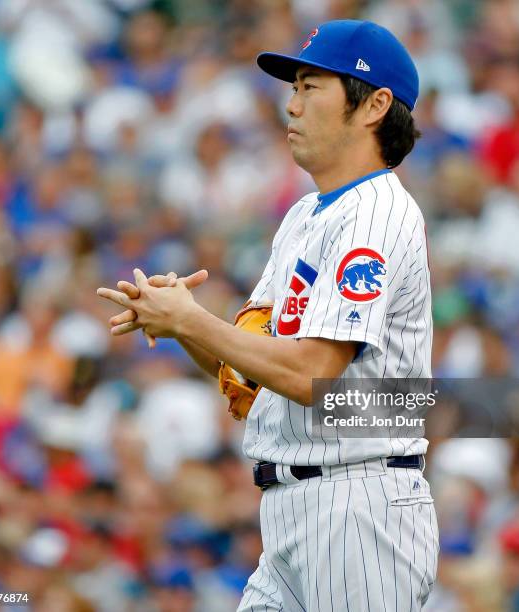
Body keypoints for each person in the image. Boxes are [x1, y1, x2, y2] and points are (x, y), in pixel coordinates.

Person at [97, 19, 438, 612]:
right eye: (294, 87)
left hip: (359, 509)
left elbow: (314, 375)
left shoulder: (378, 212)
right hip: (294, 508)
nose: (291, 103)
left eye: (311, 86)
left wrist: (196, 323)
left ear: (375, 105)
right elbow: (253, 372)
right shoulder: (306, 214)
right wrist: (181, 322)